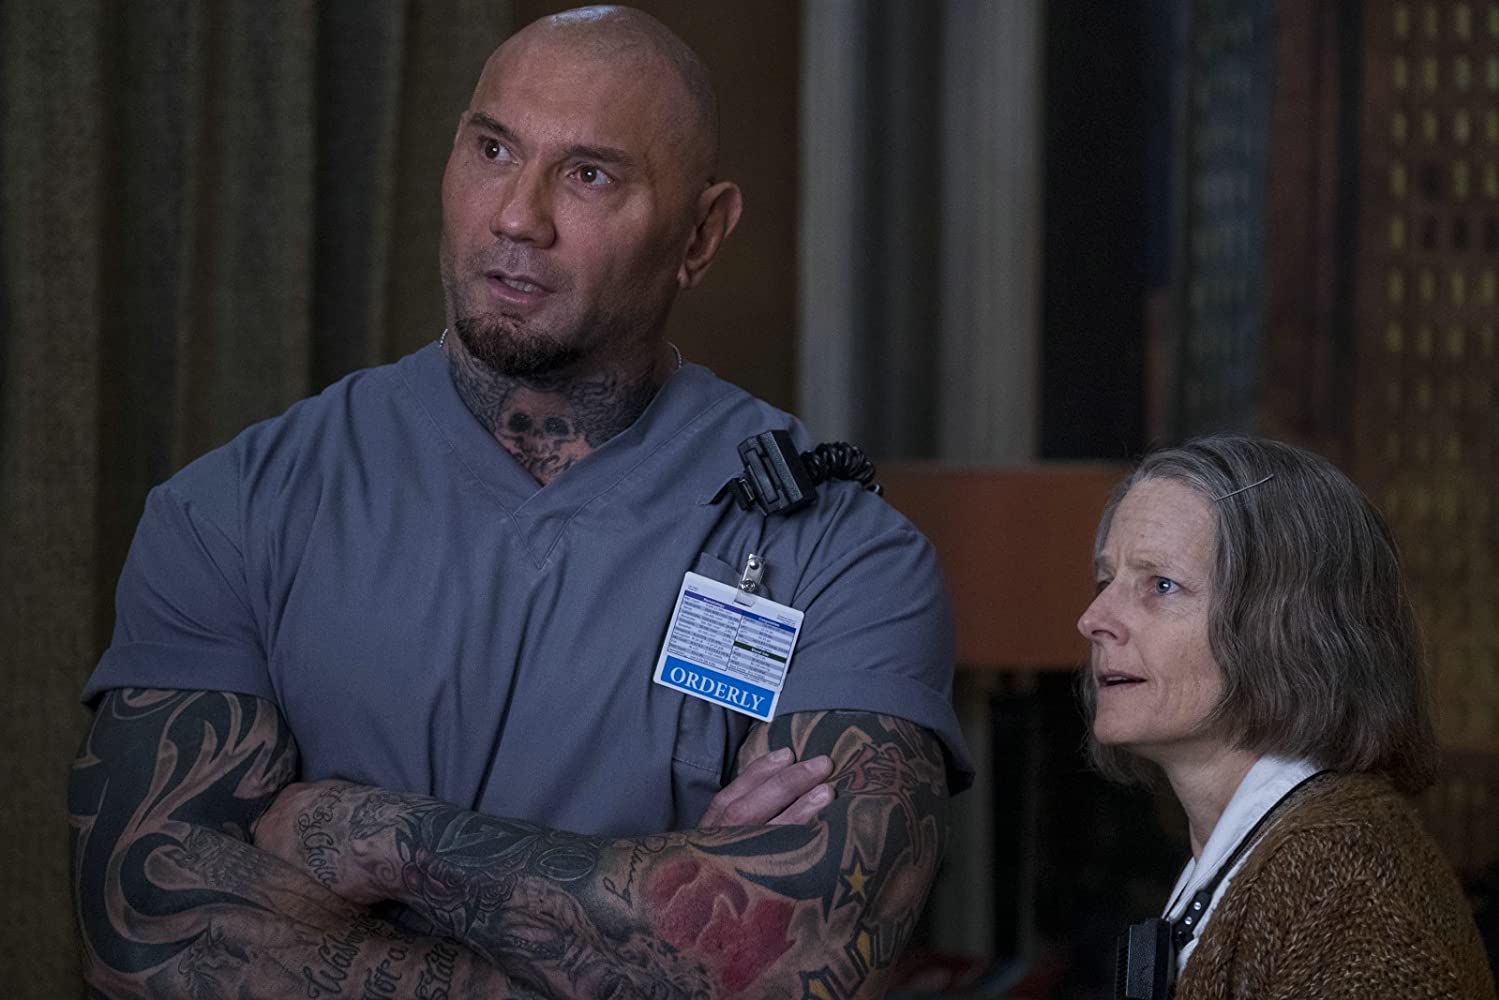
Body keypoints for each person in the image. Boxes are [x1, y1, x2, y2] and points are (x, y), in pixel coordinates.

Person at [68, 6, 971, 997]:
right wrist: (662, 922)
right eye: (492, 149)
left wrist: (370, 833)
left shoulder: (837, 554)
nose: (515, 217)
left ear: (701, 233)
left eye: (589, 175)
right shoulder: (237, 510)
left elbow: (807, 958)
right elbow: (150, 935)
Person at [1078, 434, 1495, 999]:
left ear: (1288, 626)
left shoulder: (1342, 885)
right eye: (1107, 581)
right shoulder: (1277, 854)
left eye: (1162, 584)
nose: (1094, 618)